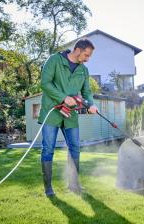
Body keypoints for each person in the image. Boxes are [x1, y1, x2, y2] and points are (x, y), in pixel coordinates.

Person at [38, 39, 98, 196]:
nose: (87, 59)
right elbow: (45, 83)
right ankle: (48, 188)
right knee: (48, 149)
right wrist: (63, 97)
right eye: (86, 55)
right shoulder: (54, 60)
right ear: (78, 50)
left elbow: (86, 92)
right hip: (51, 112)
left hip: (70, 114)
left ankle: (73, 184)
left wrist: (90, 104)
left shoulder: (83, 70)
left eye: (89, 56)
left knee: (75, 148)